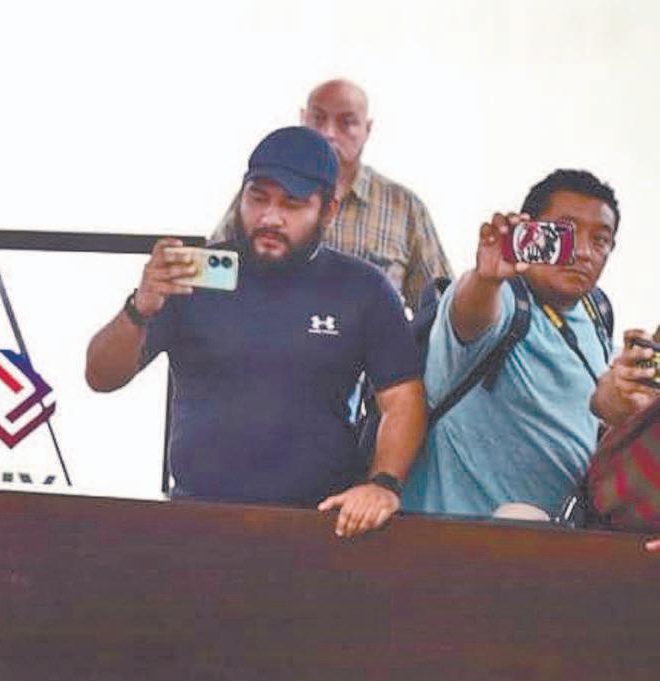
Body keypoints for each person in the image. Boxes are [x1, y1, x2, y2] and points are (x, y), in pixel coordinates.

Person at [85, 127, 426, 538]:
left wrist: (382, 484)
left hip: (322, 525)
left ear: (329, 211)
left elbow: (402, 399)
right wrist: (138, 309)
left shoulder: (362, 288)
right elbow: (101, 377)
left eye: (292, 204)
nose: (270, 218)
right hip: (196, 518)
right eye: (258, 198)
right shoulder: (193, 275)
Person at [403, 170, 621, 517]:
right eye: (565, 232)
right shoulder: (501, 296)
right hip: (450, 537)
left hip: (547, 542)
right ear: (529, 232)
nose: (583, 252)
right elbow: (470, 317)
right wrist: (486, 278)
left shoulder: (598, 312)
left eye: (600, 240)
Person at [210, 79, 449, 306]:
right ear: (303, 118)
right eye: (318, 118)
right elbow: (213, 275)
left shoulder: (403, 207)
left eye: (346, 122)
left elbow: (440, 308)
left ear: (367, 128)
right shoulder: (260, 195)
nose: (329, 133)